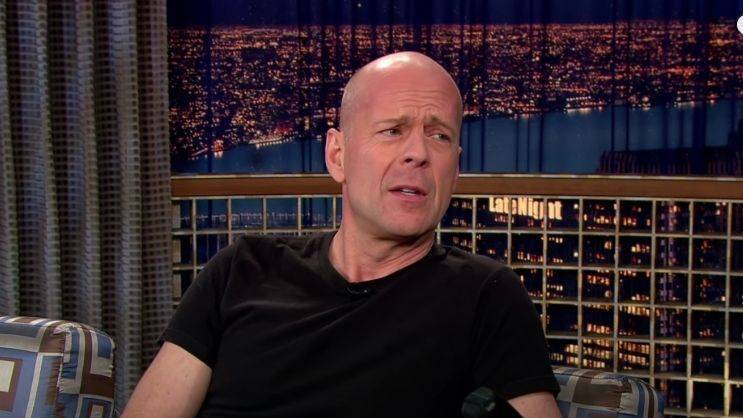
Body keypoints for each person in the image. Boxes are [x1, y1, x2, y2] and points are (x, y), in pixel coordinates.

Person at [123, 51, 561, 418]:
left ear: (456, 168)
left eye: (439, 136)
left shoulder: (487, 296)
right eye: (392, 131)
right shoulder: (242, 269)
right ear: (337, 155)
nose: (418, 153)